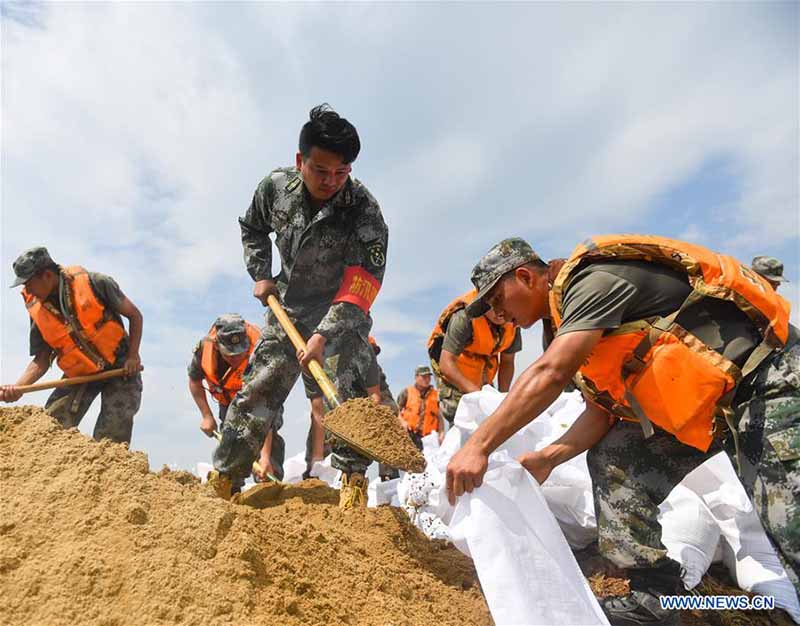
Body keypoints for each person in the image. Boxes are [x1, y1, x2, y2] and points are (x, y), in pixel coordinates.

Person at [445, 236, 798, 625]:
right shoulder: (563, 320)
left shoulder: (591, 282)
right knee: (617, 455)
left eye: (497, 300)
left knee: (788, 521)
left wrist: (478, 445)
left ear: (525, 277)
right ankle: (656, 599)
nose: (497, 314)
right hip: (710, 408)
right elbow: (605, 408)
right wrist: (551, 456)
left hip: (767, 384)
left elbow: (551, 372)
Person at [209, 104, 388, 511]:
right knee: (259, 388)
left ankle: (353, 487)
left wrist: (324, 334)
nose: (331, 182)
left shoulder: (363, 210)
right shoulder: (275, 188)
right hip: (286, 307)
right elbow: (252, 227)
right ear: (299, 162)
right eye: (321, 171)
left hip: (341, 312)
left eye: (342, 173)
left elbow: (365, 281)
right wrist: (261, 272)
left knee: (349, 396)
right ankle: (224, 479)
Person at [0, 246, 143, 444]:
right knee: (49, 427)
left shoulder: (96, 283)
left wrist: (133, 356)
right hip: (80, 371)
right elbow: (41, 360)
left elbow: (135, 316)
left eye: (28, 283)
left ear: (47, 275)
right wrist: (18, 388)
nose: (27, 290)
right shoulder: (37, 309)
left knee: (111, 440)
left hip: (121, 367)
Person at [187, 314, 280, 484]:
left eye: (240, 353)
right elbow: (194, 381)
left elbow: (267, 409)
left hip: (265, 399)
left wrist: (265, 457)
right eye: (230, 355)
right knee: (231, 446)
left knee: (268, 459)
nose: (236, 359)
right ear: (217, 345)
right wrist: (207, 415)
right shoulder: (204, 349)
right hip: (228, 402)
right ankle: (231, 491)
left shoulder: (261, 350)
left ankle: (271, 490)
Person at [428, 290, 521, 424]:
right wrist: (477, 395)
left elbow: (507, 361)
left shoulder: (514, 318)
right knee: (462, 417)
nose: (500, 313)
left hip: (482, 374)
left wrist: (502, 399)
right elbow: (446, 364)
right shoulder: (464, 317)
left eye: (504, 306)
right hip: (455, 374)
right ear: (483, 302)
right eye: (494, 306)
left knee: (490, 417)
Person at [397, 365, 443, 450]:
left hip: (429, 439)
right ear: (416, 377)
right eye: (424, 377)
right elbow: (396, 411)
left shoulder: (436, 395)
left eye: (428, 377)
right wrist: (402, 422)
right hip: (409, 436)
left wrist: (441, 433)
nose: (427, 379)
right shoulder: (406, 392)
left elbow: (439, 416)